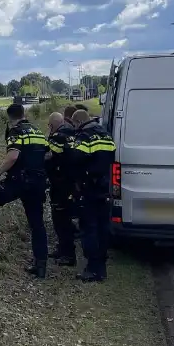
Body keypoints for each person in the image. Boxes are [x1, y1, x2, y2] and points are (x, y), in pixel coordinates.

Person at [0, 103, 55, 278]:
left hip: (19, 182)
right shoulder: (38, 132)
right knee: (37, 224)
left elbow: (12, 157)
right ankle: (40, 266)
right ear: (24, 113)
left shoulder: (16, 131)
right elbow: (48, 155)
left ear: (9, 117)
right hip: (38, 183)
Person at [66, 109, 116, 283]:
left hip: (89, 189)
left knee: (89, 229)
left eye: (74, 125)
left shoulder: (84, 136)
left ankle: (92, 269)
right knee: (103, 229)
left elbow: (74, 159)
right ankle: (101, 269)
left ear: (78, 122)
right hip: (105, 188)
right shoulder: (106, 135)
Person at [45, 111, 79, 267]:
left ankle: (67, 254)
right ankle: (63, 249)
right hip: (73, 184)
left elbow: (47, 158)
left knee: (60, 220)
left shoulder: (56, 138)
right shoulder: (74, 133)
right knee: (65, 218)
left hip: (60, 185)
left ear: (51, 125)